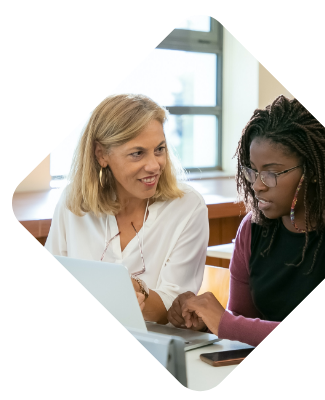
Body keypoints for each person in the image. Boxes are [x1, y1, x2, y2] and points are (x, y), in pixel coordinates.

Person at [167, 95, 325, 345]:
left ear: (313, 171)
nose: (257, 186)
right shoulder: (252, 228)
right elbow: (242, 322)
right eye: (252, 171)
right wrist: (206, 323)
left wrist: (225, 323)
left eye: (271, 173)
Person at [45, 94, 209, 324]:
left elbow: (174, 310)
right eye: (137, 153)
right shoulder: (73, 201)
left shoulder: (187, 207)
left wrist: (136, 293)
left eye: (159, 149)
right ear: (101, 154)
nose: (154, 165)